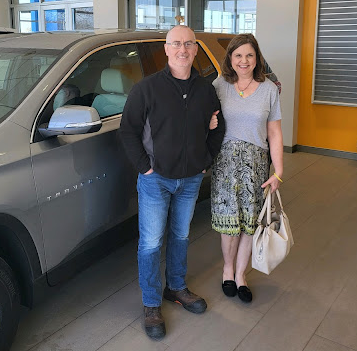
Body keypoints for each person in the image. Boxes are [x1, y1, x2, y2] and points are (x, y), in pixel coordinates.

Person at [119, 25, 225, 340]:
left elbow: (218, 127)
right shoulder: (146, 89)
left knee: (180, 236)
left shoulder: (205, 89)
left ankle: (176, 288)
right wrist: (145, 168)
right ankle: (151, 303)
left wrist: (206, 160)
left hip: (191, 179)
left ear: (195, 49)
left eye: (188, 44)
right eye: (176, 43)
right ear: (166, 49)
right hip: (156, 180)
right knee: (151, 242)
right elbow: (128, 130)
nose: (182, 49)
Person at [209, 33, 283, 303]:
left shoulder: (269, 89)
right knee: (229, 224)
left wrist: (278, 172)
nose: (244, 60)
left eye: (249, 55)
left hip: (256, 165)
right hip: (225, 165)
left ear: (257, 58)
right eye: (238, 55)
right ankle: (227, 270)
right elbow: (204, 119)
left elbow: (274, 132)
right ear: (230, 58)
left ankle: (241, 275)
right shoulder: (219, 85)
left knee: (249, 224)